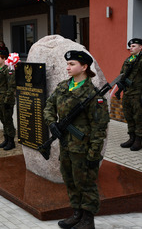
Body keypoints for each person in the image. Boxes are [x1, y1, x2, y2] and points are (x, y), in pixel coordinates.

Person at [43, 50, 109, 229]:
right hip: (66, 144)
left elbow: (99, 127)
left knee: (85, 183)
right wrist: (52, 124)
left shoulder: (93, 95)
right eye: (68, 64)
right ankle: (76, 214)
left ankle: (88, 220)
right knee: (70, 179)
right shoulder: (63, 86)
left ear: (84, 67)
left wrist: (94, 153)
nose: (68, 67)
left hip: (83, 148)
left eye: (72, 64)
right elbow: (49, 105)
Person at [119, 38, 142, 151]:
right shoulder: (128, 60)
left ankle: (138, 140)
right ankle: (131, 138)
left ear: (140, 47)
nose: (131, 48)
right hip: (127, 93)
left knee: (138, 117)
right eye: (130, 46)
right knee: (129, 116)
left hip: (138, 94)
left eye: (133, 46)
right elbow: (122, 74)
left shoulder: (141, 60)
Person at [0, 50, 16, 150]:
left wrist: (7, 100)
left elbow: (11, 87)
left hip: (6, 100)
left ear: (4, 59)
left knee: (8, 120)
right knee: (3, 120)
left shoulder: (8, 70)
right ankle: (6, 139)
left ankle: (11, 141)